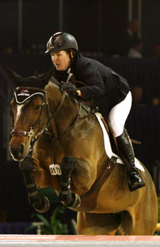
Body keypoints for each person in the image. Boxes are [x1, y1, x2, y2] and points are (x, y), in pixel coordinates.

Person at [45, 31, 145, 191]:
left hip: (118, 97)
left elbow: (98, 89)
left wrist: (77, 91)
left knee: (115, 126)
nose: (55, 59)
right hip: (98, 101)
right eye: (52, 55)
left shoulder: (85, 65)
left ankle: (132, 172)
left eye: (58, 54)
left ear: (71, 53)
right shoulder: (60, 69)